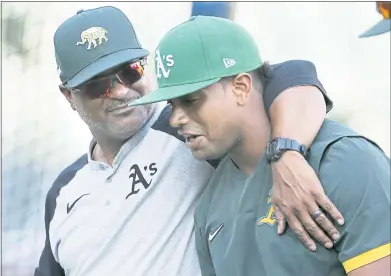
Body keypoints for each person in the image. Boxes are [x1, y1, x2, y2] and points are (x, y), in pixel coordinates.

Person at [35, 6, 345, 276]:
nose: (120, 91)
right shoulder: (63, 193)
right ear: (68, 96)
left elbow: (294, 76)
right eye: (98, 85)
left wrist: (287, 153)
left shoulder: (189, 127)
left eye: (130, 72)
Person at [130, 16, 391, 276]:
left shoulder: (343, 160)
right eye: (172, 105)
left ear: (241, 87)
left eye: (191, 100)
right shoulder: (210, 204)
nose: (176, 119)